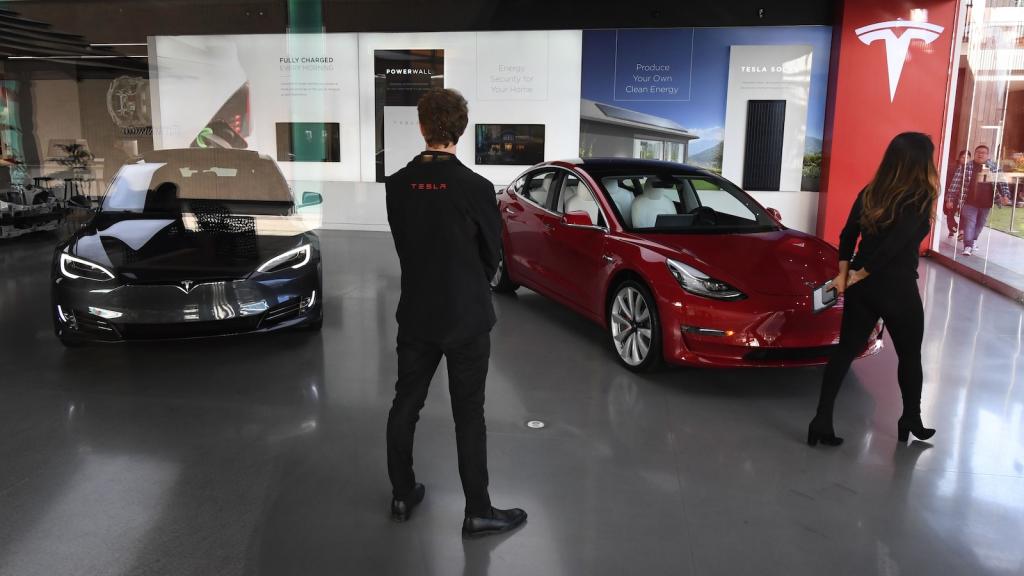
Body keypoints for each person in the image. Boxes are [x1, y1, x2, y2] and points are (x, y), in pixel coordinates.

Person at [384, 88, 527, 538]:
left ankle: (402, 494)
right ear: (460, 130)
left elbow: (405, 246)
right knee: (469, 413)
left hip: (418, 313)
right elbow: (492, 255)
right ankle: (478, 511)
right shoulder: (477, 188)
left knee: (405, 403)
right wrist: (472, 283)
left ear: (423, 127)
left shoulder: (397, 184)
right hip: (465, 315)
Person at [808, 132, 938, 448]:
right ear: (920, 163)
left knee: (844, 351)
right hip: (898, 291)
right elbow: (892, 249)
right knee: (909, 356)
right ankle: (910, 418)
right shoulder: (919, 198)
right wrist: (858, 273)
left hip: (861, 288)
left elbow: (847, 236)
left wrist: (845, 276)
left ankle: (821, 420)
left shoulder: (871, 192)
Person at [946, 144, 1010, 256]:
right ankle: (968, 246)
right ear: (975, 154)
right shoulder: (966, 167)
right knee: (970, 223)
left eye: (983, 153)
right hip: (969, 202)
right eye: (978, 152)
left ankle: (973, 240)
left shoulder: (994, 168)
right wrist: (950, 199)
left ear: (988, 155)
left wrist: (1005, 195)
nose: (980, 154)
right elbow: (955, 184)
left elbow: (1002, 183)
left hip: (986, 203)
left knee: (980, 224)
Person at [942, 150, 969, 240]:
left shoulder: (969, 168)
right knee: (950, 212)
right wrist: (948, 197)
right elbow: (947, 182)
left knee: (963, 214)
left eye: (967, 157)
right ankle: (952, 228)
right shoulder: (952, 167)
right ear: (959, 157)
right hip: (952, 193)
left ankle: (961, 232)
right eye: (963, 157)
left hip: (964, 195)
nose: (965, 159)